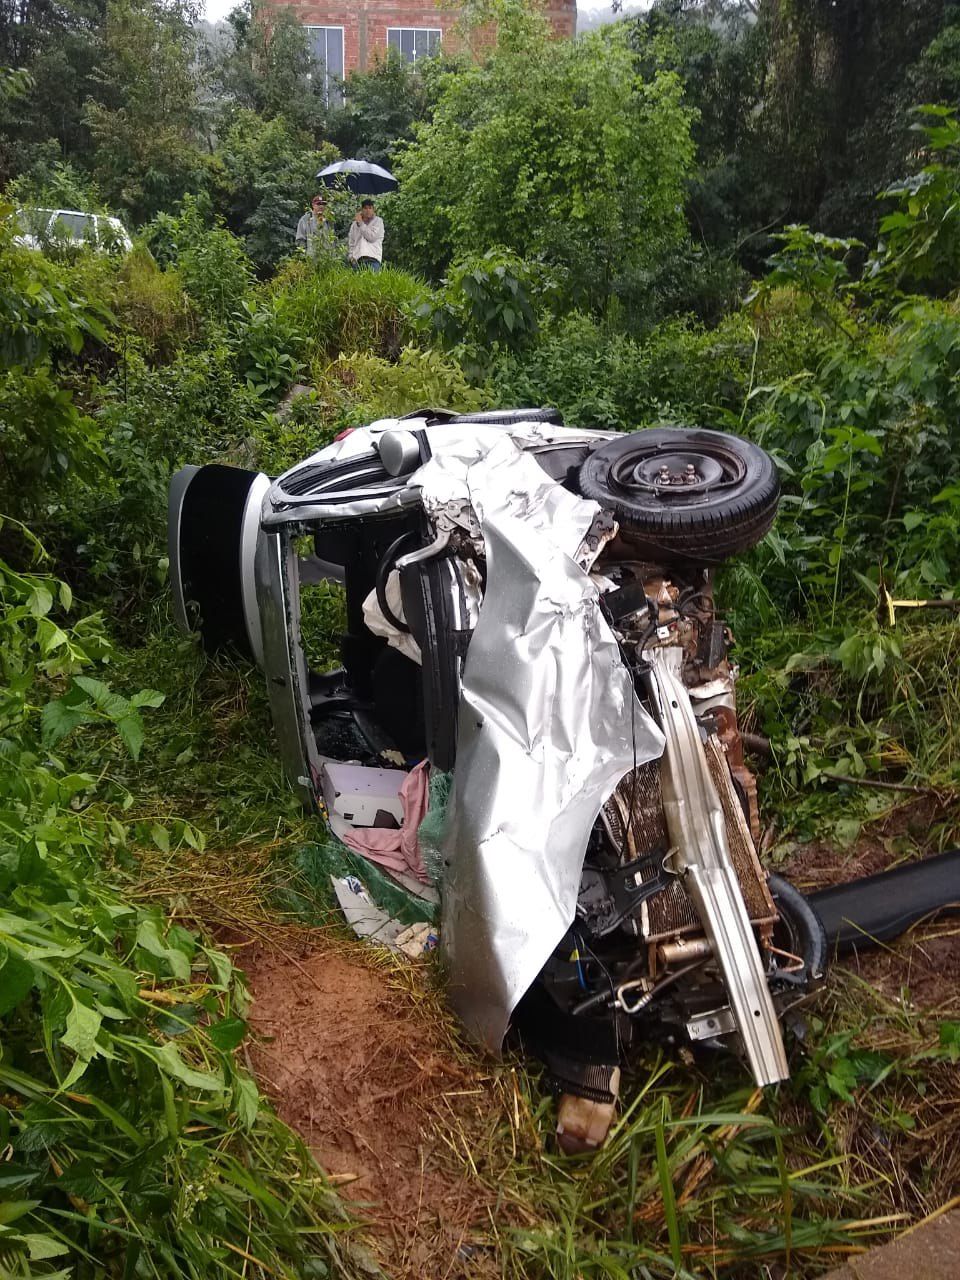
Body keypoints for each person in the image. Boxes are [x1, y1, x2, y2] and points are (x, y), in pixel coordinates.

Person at [347, 199, 384, 271]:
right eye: (365, 208)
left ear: (373, 209)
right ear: (361, 210)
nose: (368, 210)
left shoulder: (378, 221)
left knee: (373, 281)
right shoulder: (354, 224)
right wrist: (351, 258)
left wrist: (361, 223)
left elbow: (372, 237)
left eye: (370, 208)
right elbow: (351, 242)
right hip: (357, 260)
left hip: (373, 259)